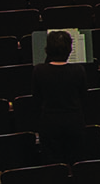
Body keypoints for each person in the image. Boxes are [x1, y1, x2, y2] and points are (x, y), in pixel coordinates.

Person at [33, 30, 88, 163]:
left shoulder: (39, 71)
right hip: (74, 121)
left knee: (53, 164)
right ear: (69, 50)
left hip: (50, 123)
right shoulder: (79, 70)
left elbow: (37, 98)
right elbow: (83, 96)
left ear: (47, 50)